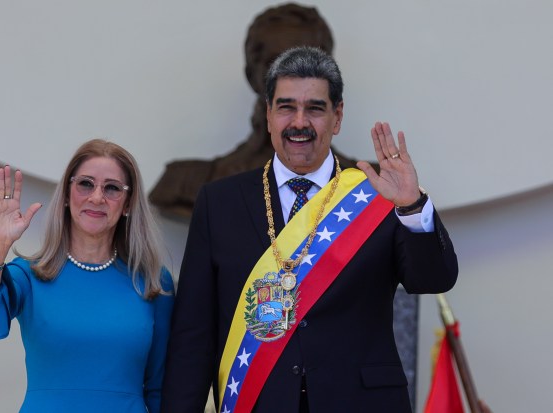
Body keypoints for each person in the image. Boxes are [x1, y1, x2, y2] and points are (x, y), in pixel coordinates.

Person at [161, 47, 458, 412]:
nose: (299, 122)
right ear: (268, 114)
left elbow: (433, 279)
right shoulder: (218, 202)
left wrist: (412, 207)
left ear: (337, 117)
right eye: (286, 107)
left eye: (315, 108)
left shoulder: (377, 194)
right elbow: (194, 335)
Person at [0, 139, 174, 412]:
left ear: (128, 203)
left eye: (112, 188)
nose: (97, 197)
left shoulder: (154, 282)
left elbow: (160, 387)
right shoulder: (29, 275)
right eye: (85, 184)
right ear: (65, 194)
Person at [149, 3, 365, 218]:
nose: (294, 78)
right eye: (277, 64)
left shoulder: (369, 185)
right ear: (252, 74)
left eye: (306, 64)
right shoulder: (186, 183)